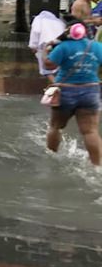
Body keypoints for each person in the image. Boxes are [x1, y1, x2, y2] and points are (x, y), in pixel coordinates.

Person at [44, 22, 102, 165]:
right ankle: (97, 167)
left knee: (55, 127)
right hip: (91, 91)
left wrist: (46, 50)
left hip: (65, 91)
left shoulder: (63, 47)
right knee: (90, 131)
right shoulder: (97, 47)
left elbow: (49, 65)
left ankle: (52, 158)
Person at [29, 10, 66, 82]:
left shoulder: (38, 19)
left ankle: (57, 86)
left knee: (46, 69)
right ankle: (57, 84)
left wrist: (33, 46)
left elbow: (36, 32)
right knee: (58, 66)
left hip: (46, 44)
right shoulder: (59, 21)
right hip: (60, 43)